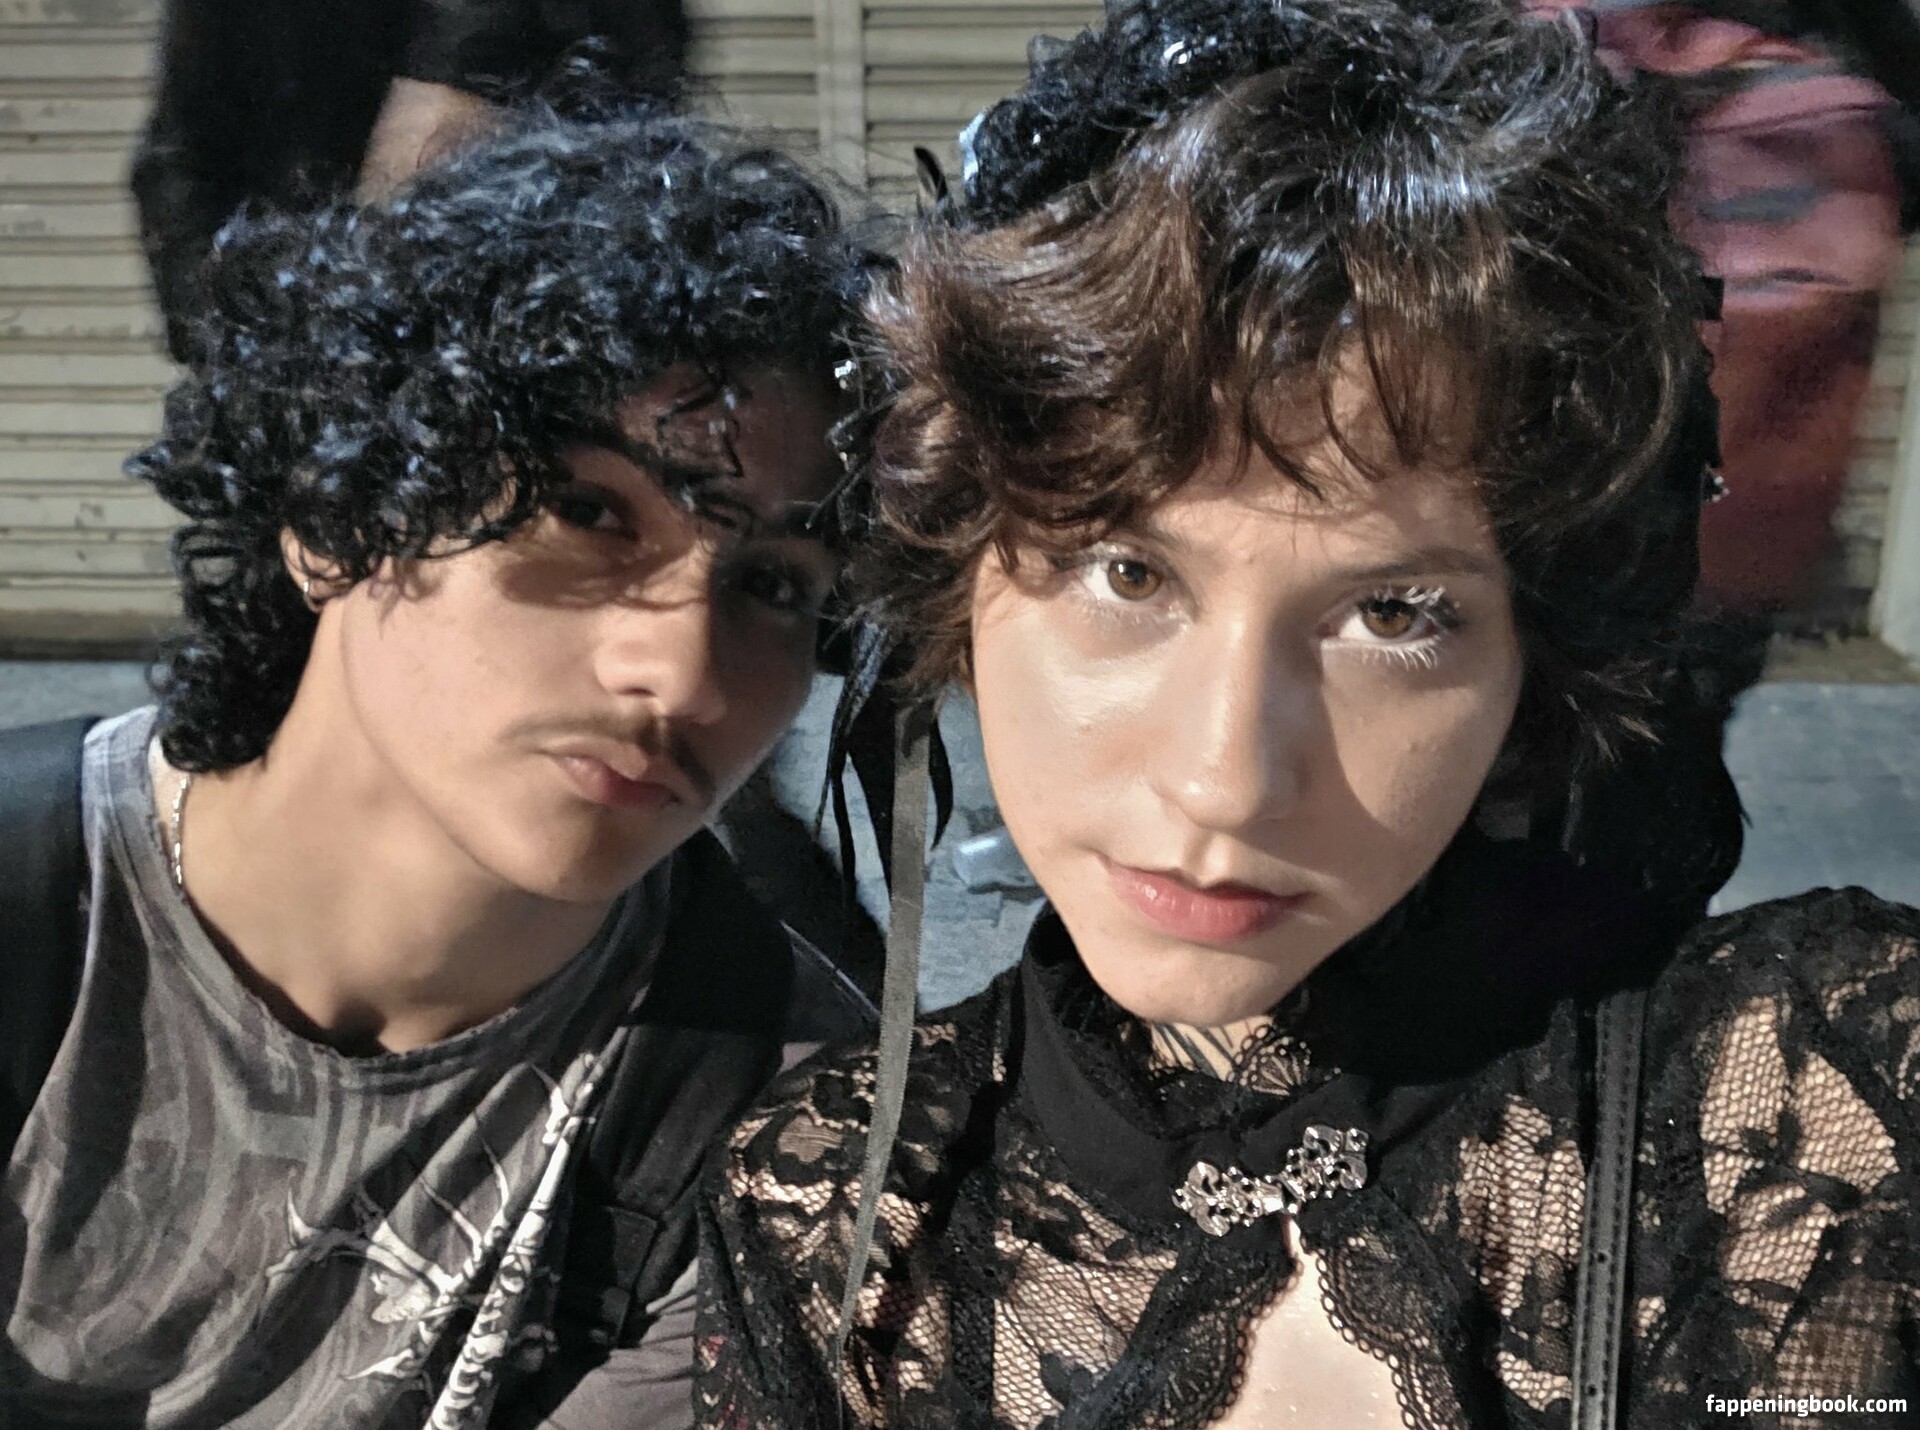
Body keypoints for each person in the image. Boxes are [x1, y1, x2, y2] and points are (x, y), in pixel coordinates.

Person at [692, 1, 1920, 1426]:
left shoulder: (1820, 1110)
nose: (1226, 782)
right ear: (958, 572)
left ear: (1536, 660)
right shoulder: (830, 1219)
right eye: (1128, 573)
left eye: (1392, 614)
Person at [1, 103, 872, 1428]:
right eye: (589, 513)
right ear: (338, 516)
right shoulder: (39, 916)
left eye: (773, 582)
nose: (686, 674)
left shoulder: (783, 1118)